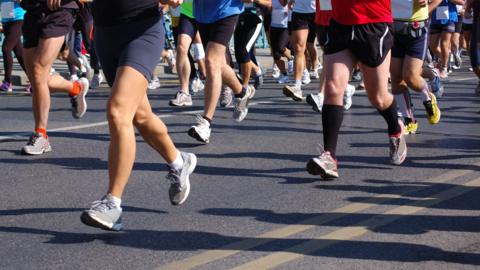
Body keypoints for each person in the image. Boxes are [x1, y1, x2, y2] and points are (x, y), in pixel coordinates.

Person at [80, 0, 197, 231]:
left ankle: (113, 203)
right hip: (105, 32)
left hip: (142, 29)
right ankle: (178, 161)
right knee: (140, 116)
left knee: (118, 110)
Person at [306, 0, 407, 179]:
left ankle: (395, 127)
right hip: (340, 24)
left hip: (373, 23)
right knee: (332, 87)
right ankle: (329, 156)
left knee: (378, 97)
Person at [20, 0, 89, 155]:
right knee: (38, 82)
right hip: (32, 12)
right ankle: (76, 88)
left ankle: (41, 135)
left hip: (59, 10)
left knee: (38, 72)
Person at [188, 0, 256, 144]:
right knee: (218, 64)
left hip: (227, 10)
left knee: (211, 62)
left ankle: (205, 123)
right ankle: (242, 92)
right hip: (202, 13)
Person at [390, 0, 442, 135]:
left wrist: (429, 5)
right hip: (393, 28)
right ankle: (409, 121)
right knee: (395, 78)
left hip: (416, 28)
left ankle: (428, 99)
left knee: (410, 76)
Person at [282, 0, 319, 101]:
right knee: (298, 48)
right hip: (299, 12)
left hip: (320, 10)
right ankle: (297, 86)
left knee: (328, 48)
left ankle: (340, 85)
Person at [0, 0, 27, 92]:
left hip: (19, 19)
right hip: (6, 20)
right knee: (19, 54)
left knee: (6, 48)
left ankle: (7, 82)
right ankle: (35, 81)